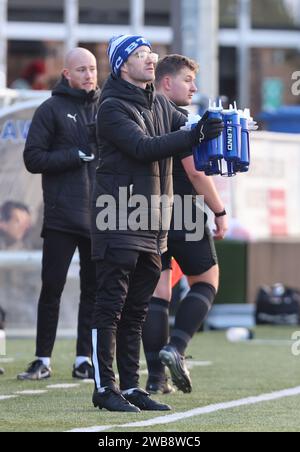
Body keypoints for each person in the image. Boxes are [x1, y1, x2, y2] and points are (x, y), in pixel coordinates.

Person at [90, 35, 224, 412]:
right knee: (110, 308)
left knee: (136, 311)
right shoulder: (112, 106)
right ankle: (104, 389)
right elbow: (143, 147)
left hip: (154, 225)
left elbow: (194, 129)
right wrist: (194, 133)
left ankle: (132, 387)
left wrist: (226, 130)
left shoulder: (160, 104)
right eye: (138, 55)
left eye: (150, 54)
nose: (150, 60)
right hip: (117, 216)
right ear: (121, 65)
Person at [142, 54, 228, 394]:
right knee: (206, 281)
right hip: (184, 210)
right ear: (166, 82)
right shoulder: (180, 118)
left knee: (158, 292)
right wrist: (219, 211)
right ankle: (176, 347)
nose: (194, 87)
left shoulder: (140, 113)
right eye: (187, 80)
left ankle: (155, 378)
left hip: (146, 211)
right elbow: (195, 171)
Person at [17, 48, 100, 381]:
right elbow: (32, 159)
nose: (89, 75)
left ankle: (85, 359)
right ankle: (42, 359)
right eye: (81, 69)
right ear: (66, 73)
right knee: (51, 288)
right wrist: (74, 155)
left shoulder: (106, 109)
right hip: (61, 218)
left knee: (93, 292)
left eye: (92, 69)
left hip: (99, 218)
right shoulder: (50, 109)